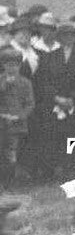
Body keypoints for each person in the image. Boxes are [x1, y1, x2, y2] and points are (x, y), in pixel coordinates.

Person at [38, 21, 75, 180]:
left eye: (71, 35)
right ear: (59, 37)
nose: (68, 38)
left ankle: (71, 170)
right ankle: (51, 170)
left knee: (73, 135)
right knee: (52, 136)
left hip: (74, 105)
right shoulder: (50, 57)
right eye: (65, 35)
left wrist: (72, 99)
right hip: (54, 104)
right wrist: (57, 98)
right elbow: (43, 81)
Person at [0, 46, 33, 186]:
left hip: (17, 125)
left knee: (12, 154)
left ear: (19, 66)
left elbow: (30, 104)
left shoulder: (25, 83)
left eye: (15, 65)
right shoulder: (1, 81)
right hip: (1, 122)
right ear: (3, 65)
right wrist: (4, 86)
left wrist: (19, 116)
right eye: (8, 65)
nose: (11, 68)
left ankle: (10, 182)